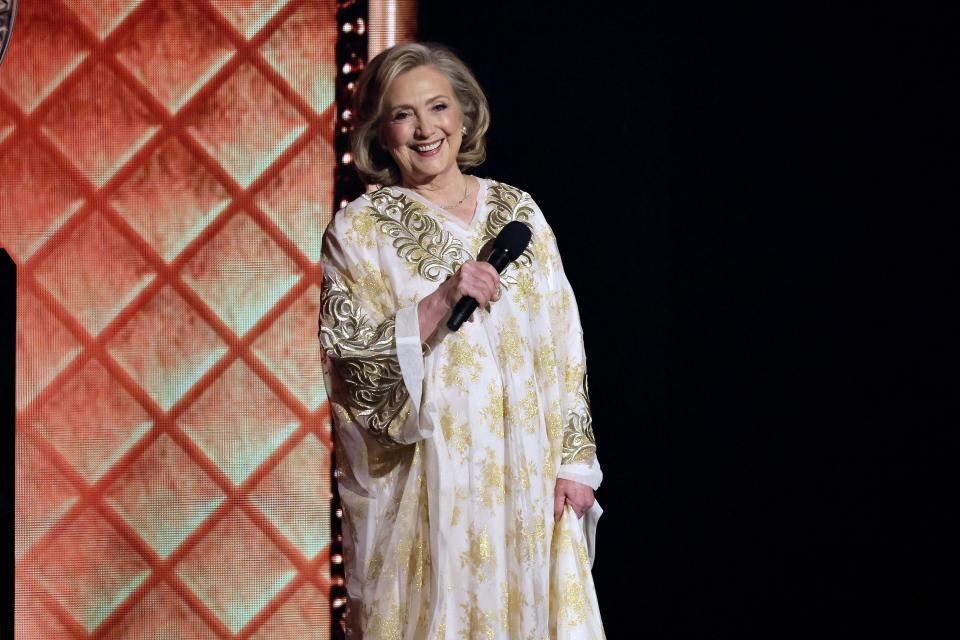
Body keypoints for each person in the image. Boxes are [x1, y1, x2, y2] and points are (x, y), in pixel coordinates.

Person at [319, 42, 605, 639]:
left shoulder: (517, 211)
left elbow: (564, 340)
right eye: (403, 115)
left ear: (465, 115)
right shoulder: (360, 230)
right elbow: (352, 364)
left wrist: (575, 462)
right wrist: (439, 300)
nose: (425, 128)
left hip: (527, 470)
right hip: (433, 479)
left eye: (438, 107)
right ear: (381, 132)